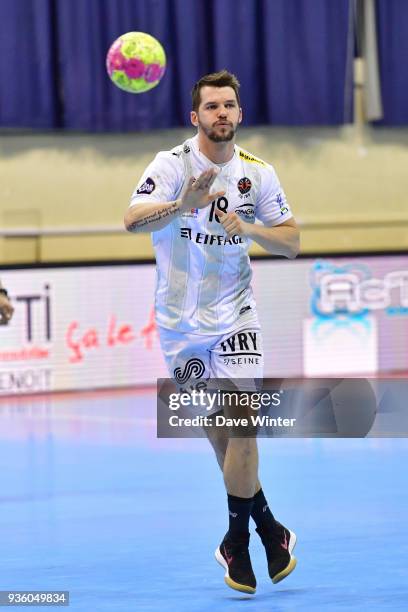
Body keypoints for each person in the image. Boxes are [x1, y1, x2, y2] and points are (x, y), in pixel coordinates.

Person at [124, 70, 300, 595]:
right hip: (179, 326)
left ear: (240, 115)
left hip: (235, 316)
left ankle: (236, 542)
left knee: (242, 424)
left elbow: (291, 243)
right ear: (194, 116)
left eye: (229, 106)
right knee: (222, 437)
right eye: (211, 106)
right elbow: (131, 221)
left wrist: (251, 229)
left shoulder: (259, 174)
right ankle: (267, 526)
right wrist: (183, 205)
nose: (221, 113)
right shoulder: (171, 166)